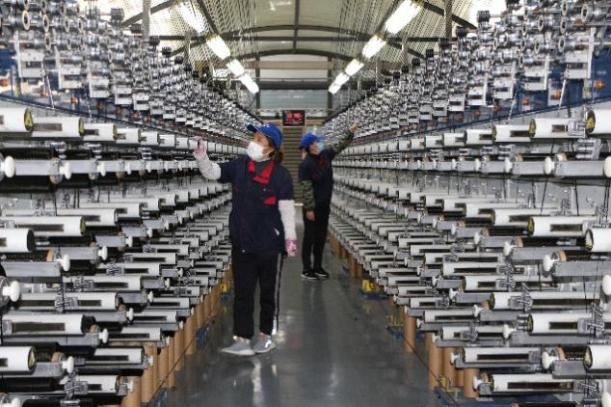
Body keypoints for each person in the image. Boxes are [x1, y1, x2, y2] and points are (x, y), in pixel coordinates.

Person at [193, 122, 297, 356]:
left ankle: (266, 336)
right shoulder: (240, 165)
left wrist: (290, 240)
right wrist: (202, 157)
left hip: (270, 246)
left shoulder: (280, 175)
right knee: (243, 293)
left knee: (268, 294)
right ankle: (242, 339)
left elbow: (287, 210)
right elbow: (213, 172)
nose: (254, 143)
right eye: (254, 138)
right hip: (243, 242)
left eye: (260, 140)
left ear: (271, 149)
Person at [298, 122, 358, 280]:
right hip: (312, 208)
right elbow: (306, 188)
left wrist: (350, 132)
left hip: (324, 205)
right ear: (310, 146)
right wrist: (309, 209)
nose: (318, 143)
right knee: (309, 238)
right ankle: (306, 269)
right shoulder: (306, 165)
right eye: (315, 142)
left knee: (320, 237)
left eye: (318, 141)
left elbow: (340, 146)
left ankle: (317, 267)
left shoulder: (325, 156)